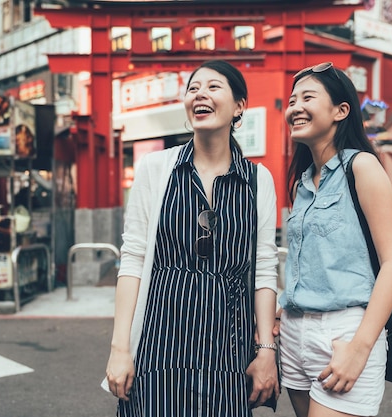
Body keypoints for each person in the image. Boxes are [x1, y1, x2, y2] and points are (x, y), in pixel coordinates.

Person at [105, 59, 280, 416]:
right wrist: (120, 348)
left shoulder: (259, 180)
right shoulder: (156, 169)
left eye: (214, 87)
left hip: (229, 346)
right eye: (193, 88)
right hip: (160, 340)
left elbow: (264, 270)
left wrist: (265, 352)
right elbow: (134, 259)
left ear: (239, 106)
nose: (200, 94)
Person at [275, 62, 392, 417]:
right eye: (291, 100)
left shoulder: (361, 167)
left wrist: (360, 347)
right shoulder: (303, 181)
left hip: (346, 330)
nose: (295, 108)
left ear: (340, 110)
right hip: (294, 331)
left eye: (307, 97)